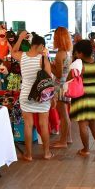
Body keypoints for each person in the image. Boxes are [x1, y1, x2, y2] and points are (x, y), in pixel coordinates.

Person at [12, 32, 54, 161]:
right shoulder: (43, 59)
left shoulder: (22, 56)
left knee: (28, 125)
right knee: (43, 124)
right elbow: (49, 81)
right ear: (40, 45)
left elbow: (13, 51)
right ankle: (46, 153)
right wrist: (53, 98)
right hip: (41, 96)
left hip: (25, 95)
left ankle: (28, 155)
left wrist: (19, 38)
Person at [70, 39, 95, 157]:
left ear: (80, 53)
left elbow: (70, 80)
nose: (75, 54)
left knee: (83, 124)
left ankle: (85, 149)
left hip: (82, 96)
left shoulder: (78, 65)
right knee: (93, 123)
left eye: (76, 52)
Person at [51, 27, 73, 149]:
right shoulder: (67, 52)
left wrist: (49, 65)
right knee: (66, 114)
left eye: (55, 37)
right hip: (66, 85)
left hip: (60, 86)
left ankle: (63, 141)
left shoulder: (60, 54)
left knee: (63, 115)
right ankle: (68, 138)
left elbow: (58, 74)